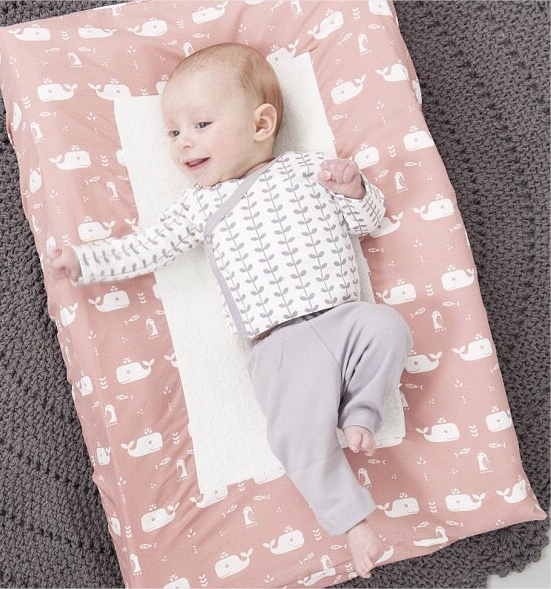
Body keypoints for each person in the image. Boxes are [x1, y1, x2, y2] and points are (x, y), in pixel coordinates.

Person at [48, 42, 412, 578]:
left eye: (200, 124)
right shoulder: (200, 205)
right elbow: (148, 247)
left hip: (343, 316)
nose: (183, 142)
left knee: (389, 328)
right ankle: (353, 522)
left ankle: (362, 409)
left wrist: (356, 190)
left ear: (262, 123)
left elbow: (369, 222)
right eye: (173, 132)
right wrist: (86, 261)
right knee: (296, 436)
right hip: (279, 344)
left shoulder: (310, 170)